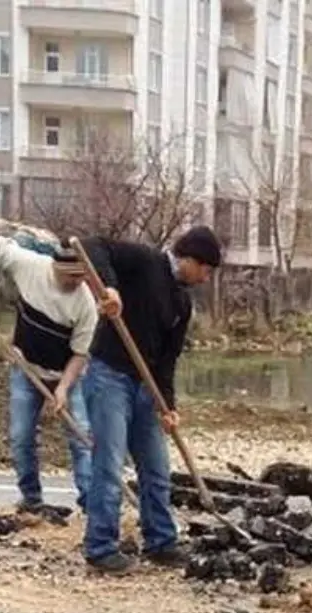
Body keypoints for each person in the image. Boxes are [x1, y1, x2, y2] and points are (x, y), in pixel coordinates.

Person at [79, 225, 222, 575]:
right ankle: (100, 548)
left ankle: (160, 541)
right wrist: (109, 288)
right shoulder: (145, 261)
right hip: (109, 374)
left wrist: (168, 406)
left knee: (156, 468)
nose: (205, 278)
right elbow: (90, 244)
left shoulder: (182, 303)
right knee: (110, 464)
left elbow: (168, 359)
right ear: (190, 258)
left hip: (146, 387)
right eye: (205, 269)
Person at [0, 238, 98, 517]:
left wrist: (63, 389)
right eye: (70, 277)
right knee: (21, 436)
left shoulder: (85, 304)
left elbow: (80, 355)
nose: (76, 283)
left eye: (81, 277)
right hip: (26, 367)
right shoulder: (28, 265)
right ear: (55, 267)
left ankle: (92, 503)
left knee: (82, 437)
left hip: (68, 373)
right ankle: (31, 499)